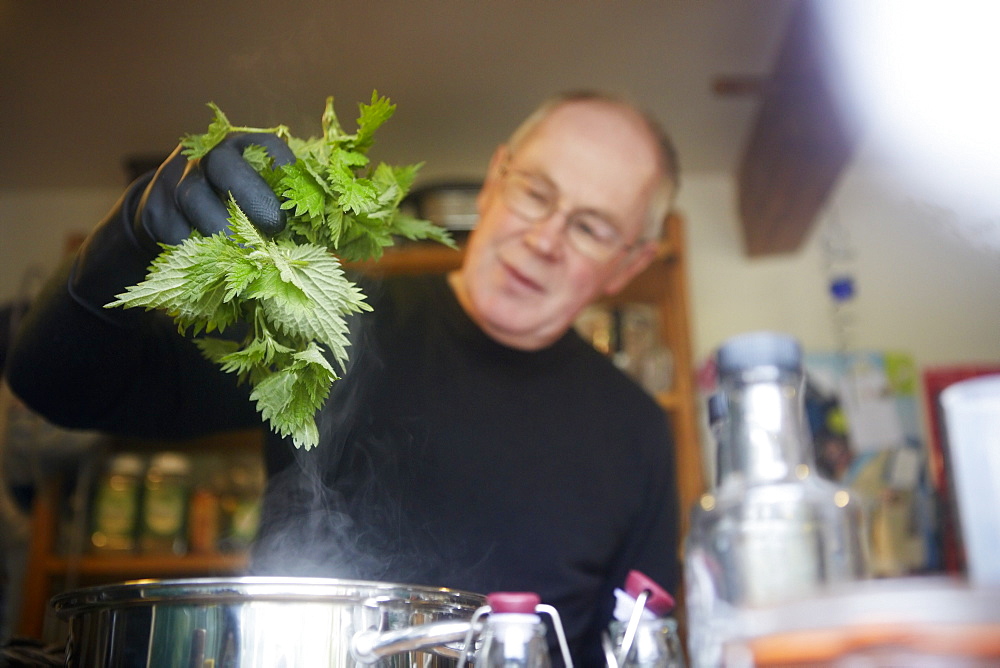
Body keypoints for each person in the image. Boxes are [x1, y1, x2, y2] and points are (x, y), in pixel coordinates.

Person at [6, 91, 681, 666]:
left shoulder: (638, 433)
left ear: (630, 263)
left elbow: (640, 646)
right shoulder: (327, 321)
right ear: (499, 174)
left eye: (591, 227)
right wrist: (126, 237)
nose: (545, 239)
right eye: (536, 192)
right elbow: (57, 385)